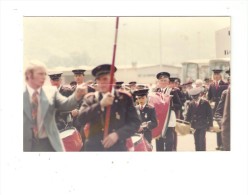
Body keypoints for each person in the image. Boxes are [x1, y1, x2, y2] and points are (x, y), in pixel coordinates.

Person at [23, 60, 87, 152]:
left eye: (44, 74)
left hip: (52, 140)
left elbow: (66, 105)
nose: (43, 77)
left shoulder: (51, 93)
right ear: (29, 75)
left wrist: (77, 95)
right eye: (40, 74)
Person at [76, 64, 141, 151]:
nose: (101, 82)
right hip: (94, 149)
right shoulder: (90, 99)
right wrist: (100, 105)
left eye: (105, 79)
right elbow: (80, 119)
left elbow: (135, 122)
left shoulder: (124, 98)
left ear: (113, 80)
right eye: (98, 79)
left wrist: (117, 134)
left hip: (117, 147)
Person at [154, 72, 182, 151]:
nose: (163, 82)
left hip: (168, 118)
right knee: (159, 139)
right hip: (159, 119)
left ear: (168, 82)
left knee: (169, 139)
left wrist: (171, 105)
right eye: (161, 80)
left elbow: (179, 105)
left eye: (165, 80)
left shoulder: (172, 92)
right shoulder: (156, 91)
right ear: (158, 82)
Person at [208, 69, 228, 150]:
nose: (215, 76)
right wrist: (210, 101)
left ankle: (224, 144)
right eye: (214, 75)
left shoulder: (225, 84)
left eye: (217, 75)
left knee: (223, 125)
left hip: (223, 107)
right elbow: (209, 96)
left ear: (220, 76)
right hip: (215, 107)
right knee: (217, 126)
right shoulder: (212, 85)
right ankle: (219, 144)